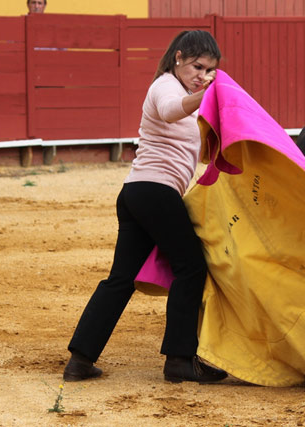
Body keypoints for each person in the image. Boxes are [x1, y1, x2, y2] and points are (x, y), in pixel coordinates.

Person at [63, 30, 227, 384]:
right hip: (155, 192)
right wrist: (204, 95)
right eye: (198, 66)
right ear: (179, 57)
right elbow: (170, 111)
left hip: (139, 193)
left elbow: (199, 148)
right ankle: (180, 360)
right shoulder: (165, 86)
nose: (202, 75)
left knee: (121, 279)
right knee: (192, 268)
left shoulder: (188, 95)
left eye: (209, 70)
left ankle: (80, 359)